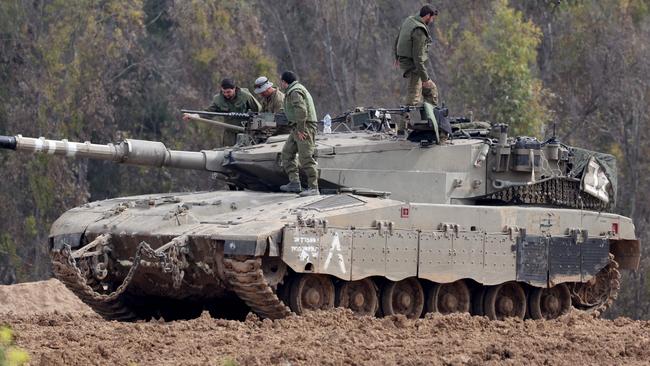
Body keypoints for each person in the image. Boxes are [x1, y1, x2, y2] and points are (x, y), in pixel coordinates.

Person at [183, 78, 261, 146]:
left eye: (228, 92)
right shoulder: (219, 99)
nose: (226, 94)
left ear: (234, 89)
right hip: (230, 133)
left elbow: (258, 110)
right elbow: (208, 113)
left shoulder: (245, 96)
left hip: (246, 132)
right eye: (224, 92)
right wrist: (194, 116)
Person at [278, 71, 319, 196]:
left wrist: (301, 130)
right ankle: (295, 183)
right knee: (287, 153)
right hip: (297, 127)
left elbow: (301, 111)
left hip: (304, 127)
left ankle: (313, 188)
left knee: (306, 158)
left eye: (281, 81)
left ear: (285, 82)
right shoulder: (293, 90)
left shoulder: (295, 91)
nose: (281, 84)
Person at [394, 5, 439, 107]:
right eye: (432, 18)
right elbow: (418, 58)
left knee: (430, 91)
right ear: (428, 16)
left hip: (407, 62)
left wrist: (397, 57)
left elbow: (397, 40)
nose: (432, 21)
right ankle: (405, 123)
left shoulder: (409, 21)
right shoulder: (419, 30)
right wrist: (425, 79)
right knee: (413, 99)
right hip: (413, 66)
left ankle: (429, 120)